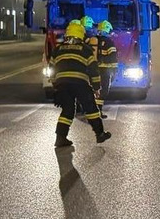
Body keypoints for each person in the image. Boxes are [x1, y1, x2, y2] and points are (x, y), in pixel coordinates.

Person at [50, 19, 111, 148]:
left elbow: (52, 69)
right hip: (80, 84)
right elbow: (93, 70)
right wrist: (96, 88)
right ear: (81, 35)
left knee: (67, 111)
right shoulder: (85, 49)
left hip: (62, 84)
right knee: (91, 109)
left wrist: (56, 86)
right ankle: (99, 134)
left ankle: (60, 138)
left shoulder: (58, 49)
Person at [95, 20, 118, 116]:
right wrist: (114, 70)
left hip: (94, 70)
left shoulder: (93, 40)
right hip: (105, 70)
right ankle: (98, 110)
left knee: (95, 89)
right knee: (104, 90)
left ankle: (91, 109)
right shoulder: (109, 42)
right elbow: (113, 57)